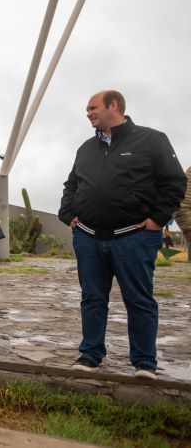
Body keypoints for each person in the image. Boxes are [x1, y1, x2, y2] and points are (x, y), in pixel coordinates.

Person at [59, 90, 186, 379]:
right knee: (92, 298)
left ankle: (144, 364)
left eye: (92, 107)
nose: (88, 113)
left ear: (113, 105)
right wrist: (68, 215)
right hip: (89, 237)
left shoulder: (152, 139)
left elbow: (174, 182)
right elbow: (71, 184)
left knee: (139, 300)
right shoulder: (86, 148)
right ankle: (90, 355)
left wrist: (157, 219)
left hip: (134, 236)